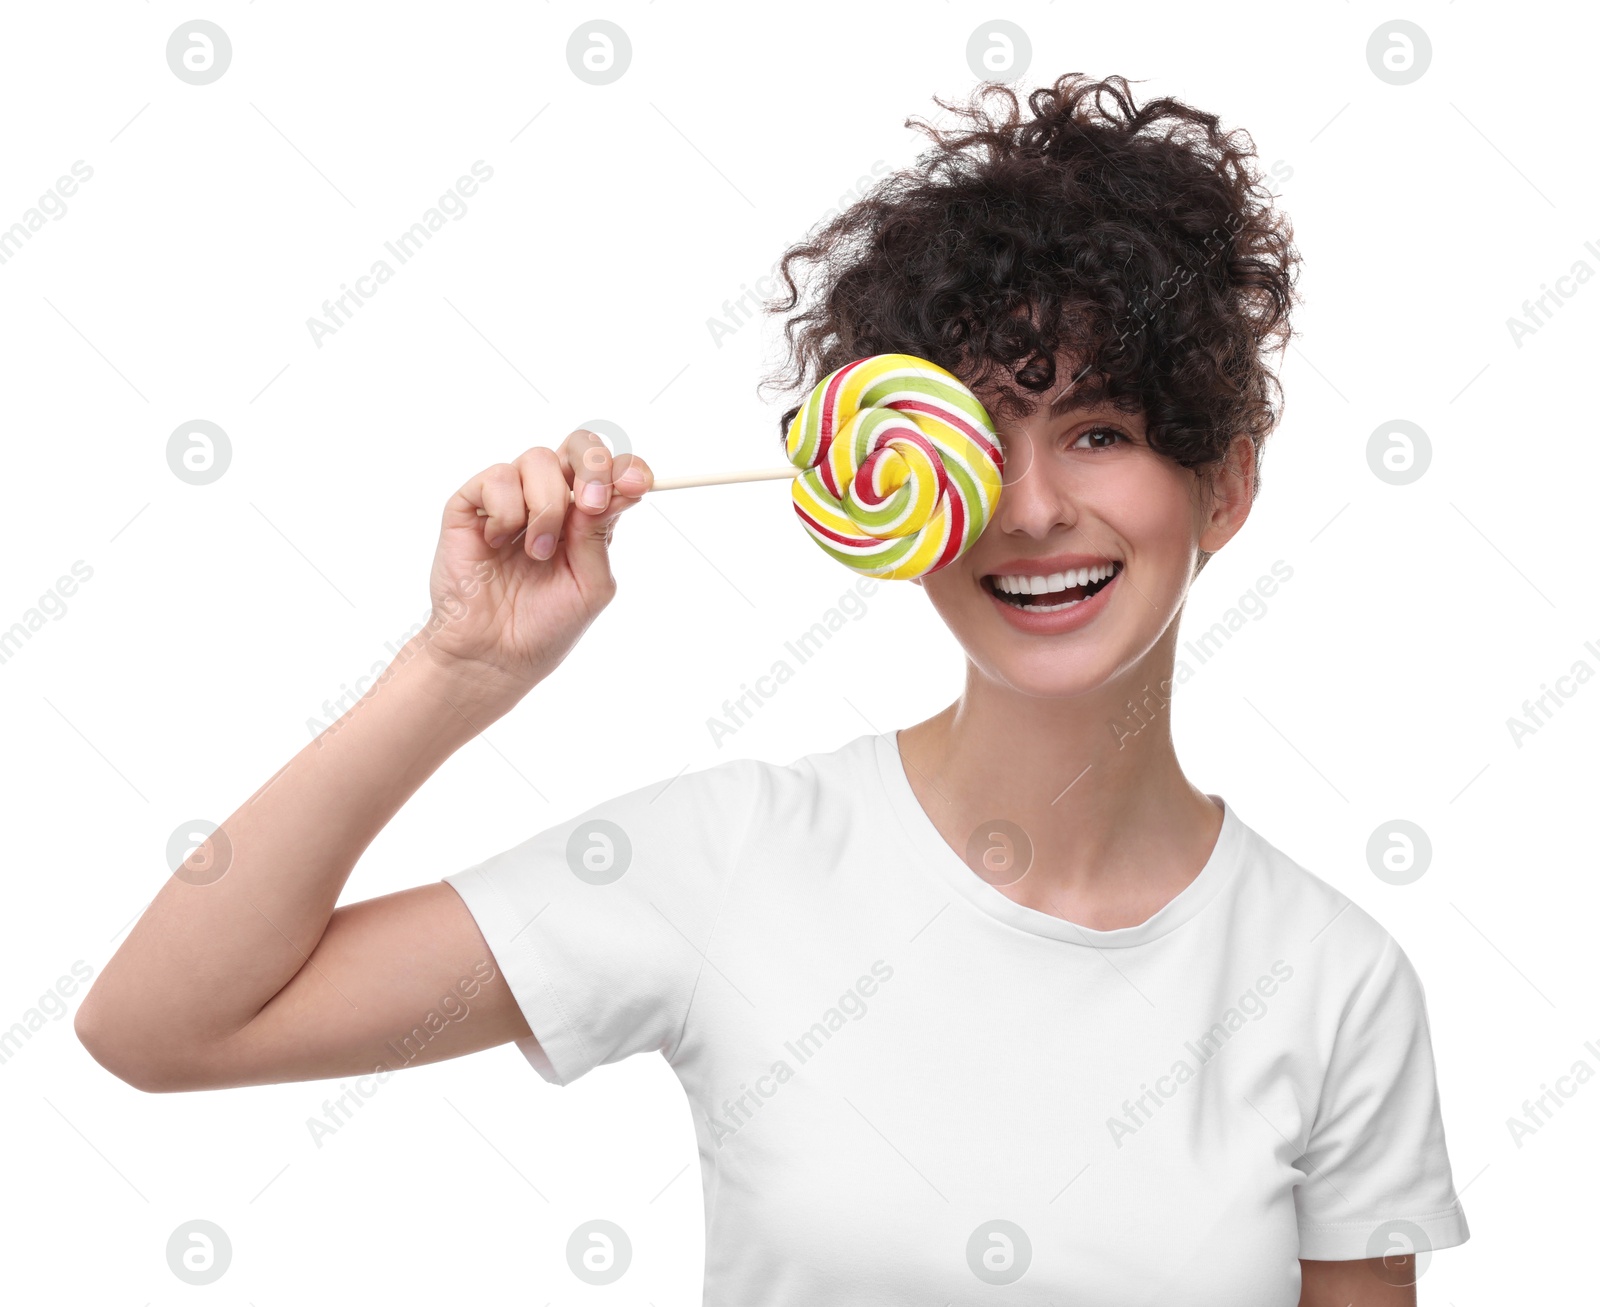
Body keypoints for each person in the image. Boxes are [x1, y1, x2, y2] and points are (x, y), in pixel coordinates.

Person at [76, 73, 1469, 1304]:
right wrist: (463, 669)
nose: (1034, 507)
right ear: (891, 475)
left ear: (1222, 487)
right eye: (981, 433)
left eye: (1100, 430)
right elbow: (162, 1025)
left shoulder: (1334, 983)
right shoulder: (729, 859)